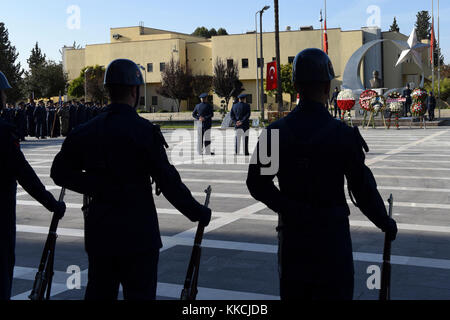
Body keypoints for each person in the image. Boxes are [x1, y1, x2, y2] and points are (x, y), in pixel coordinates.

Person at [50, 59, 212, 301]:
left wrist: (95, 185)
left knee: (100, 293)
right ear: (135, 91)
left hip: (100, 233)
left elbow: (58, 172)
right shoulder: (144, 131)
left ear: (108, 90)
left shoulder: (86, 131)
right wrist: (197, 212)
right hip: (139, 235)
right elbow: (167, 181)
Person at [246, 49, 398, 300]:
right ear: (328, 87)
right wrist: (384, 221)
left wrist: (290, 209)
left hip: (294, 240)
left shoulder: (275, 132)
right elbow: (362, 189)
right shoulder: (343, 134)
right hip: (332, 240)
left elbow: (257, 184)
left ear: (295, 86)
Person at [0, 71, 66, 300]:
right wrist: (52, 204)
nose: (4, 97)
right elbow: (25, 176)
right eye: (2, 93)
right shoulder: (3, 134)